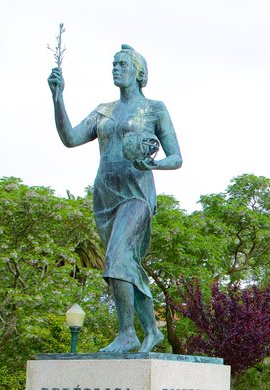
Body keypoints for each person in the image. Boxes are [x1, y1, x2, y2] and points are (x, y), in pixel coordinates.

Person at [48, 45, 182, 353]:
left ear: (138, 72)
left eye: (122, 64)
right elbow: (69, 138)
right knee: (124, 264)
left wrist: (155, 163)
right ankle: (150, 329)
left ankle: (127, 335)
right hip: (105, 194)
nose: (116, 68)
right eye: (113, 64)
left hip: (137, 192)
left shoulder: (154, 108)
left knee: (117, 258)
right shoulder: (103, 110)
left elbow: (176, 157)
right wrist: (58, 97)